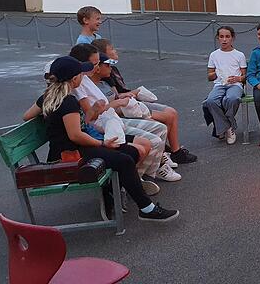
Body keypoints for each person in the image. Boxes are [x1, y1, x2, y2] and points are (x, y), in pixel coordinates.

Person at [22, 56, 178, 222]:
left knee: (131, 151)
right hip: (70, 155)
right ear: (75, 79)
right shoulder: (68, 102)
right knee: (124, 160)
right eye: (81, 75)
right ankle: (146, 209)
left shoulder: (48, 97)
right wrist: (102, 143)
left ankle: (111, 191)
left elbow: (26, 116)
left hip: (70, 149)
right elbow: (75, 135)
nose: (83, 77)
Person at [69, 44, 170, 192]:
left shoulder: (85, 79)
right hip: (104, 127)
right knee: (151, 141)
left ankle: (141, 175)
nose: (97, 67)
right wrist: (115, 103)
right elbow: (90, 117)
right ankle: (133, 181)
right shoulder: (78, 84)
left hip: (111, 121)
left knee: (160, 128)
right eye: (95, 63)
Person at [91, 38, 195, 166]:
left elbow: (116, 95)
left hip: (129, 103)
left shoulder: (110, 72)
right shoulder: (101, 78)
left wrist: (130, 95)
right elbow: (104, 107)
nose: (115, 50)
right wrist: (126, 98)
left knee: (171, 113)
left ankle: (170, 152)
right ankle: (164, 155)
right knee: (163, 120)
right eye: (111, 48)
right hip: (123, 109)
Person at [204, 26, 247, 144]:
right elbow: (209, 76)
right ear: (218, 38)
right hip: (219, 84)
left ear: (232, 38)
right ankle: (228, 126)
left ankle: (223, 127)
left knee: (232, 98)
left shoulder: (239, 55)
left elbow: (244, 77)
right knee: (210, 101)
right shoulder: (214, 55)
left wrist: (237, 78)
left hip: (235, 85)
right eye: (221, 37)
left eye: (227, 37)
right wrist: (217, 73)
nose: (224, 39)